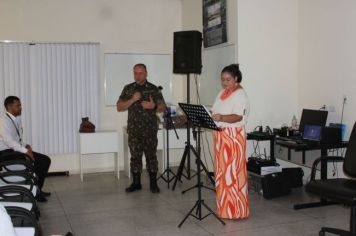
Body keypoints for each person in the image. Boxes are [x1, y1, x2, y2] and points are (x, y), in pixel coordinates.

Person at [117, 63, 166, 193]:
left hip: (150, 130)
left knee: (151, 156)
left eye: (140, 73)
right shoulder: (128, 89)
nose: (137, 76)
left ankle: (153, 184)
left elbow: (163, 107)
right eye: (135, 73)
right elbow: (119, 106)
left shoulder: (154, 89)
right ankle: (136, 183)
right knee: (135, 157)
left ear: (146, 73)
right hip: (134, 130)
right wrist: (132, 99)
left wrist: (153, 106)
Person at [211, 64, 250, 219]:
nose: (224, 82)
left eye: (228, 79)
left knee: (232, 174)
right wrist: (212, 115)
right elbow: (216, 110)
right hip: (221, 137)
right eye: (223, 79)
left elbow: (238, 116)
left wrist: (222, 118)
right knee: (222, 175)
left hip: (233, 137)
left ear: (236, 79)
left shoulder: (240, 95)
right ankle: (224, 209)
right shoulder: (222, 92)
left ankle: (237, 211)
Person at [0, 96, 51, 202]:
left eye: (20, 105)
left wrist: (26, 145)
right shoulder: (3, 121)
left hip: (14, 151)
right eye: (18, 105)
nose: (20, 107)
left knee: (44, 160)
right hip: (6, 154)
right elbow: (9, 142)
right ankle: (35, 191)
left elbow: (17, 140)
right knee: (41, 161)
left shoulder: (15, 120)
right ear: (9, 107)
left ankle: (37, 190)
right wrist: (25, 152)